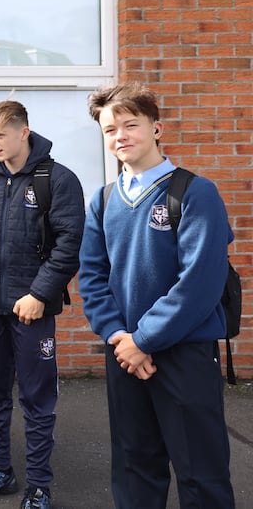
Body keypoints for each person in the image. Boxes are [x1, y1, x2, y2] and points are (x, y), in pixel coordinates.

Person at [78, 82, 235, 508]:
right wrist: (117, 337)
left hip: (183, 352)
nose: (121, 136)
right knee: (134, 467)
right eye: (110, 130)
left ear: (156, 128)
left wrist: (142, 340)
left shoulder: (194, 192)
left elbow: (199, 283)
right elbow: (92, 277)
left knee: (200, 471)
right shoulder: (104, 199)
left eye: (131, 125)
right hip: (124, 354)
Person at [0, 100, 84, 509]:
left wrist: (40, 294)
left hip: (32, 311)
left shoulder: (57, 180)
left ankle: (40, 484)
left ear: (23, 131)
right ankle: (0, 470)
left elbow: (69, 245)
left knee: (37, 397)